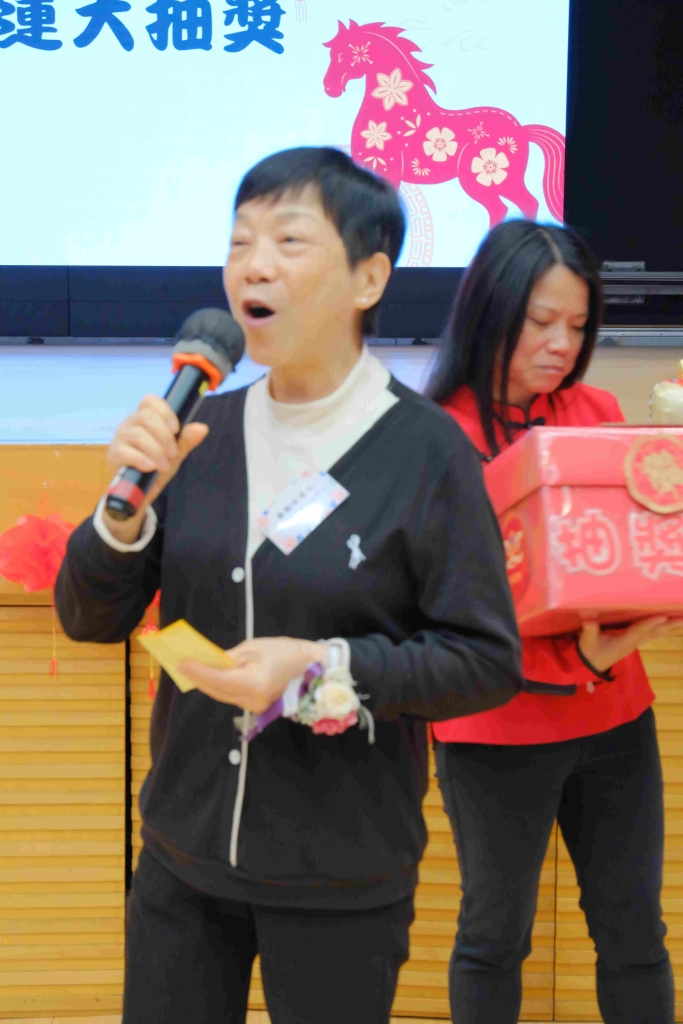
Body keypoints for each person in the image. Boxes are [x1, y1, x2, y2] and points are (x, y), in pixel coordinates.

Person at [55, 147, 523, 1024]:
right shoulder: (199, 431)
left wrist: (321, 667)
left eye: (288, 241)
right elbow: (89, 617)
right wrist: (123, 516)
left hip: (341, 875)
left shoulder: (428, 452)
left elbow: (484, 661)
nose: (253, 266)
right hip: (182, 858)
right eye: (239, 243)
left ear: (368, 277)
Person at [429, 219, 680, 1024]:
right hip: (494, 729)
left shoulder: (595, 408)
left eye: (576, 325)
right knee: (493, 939)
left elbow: (628, 551)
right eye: (540, 321)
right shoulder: (433, 435)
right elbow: (444, 609)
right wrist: (583, 653)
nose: (561, 346)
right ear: (489, 311)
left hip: (614, 717)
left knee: (634, 933)